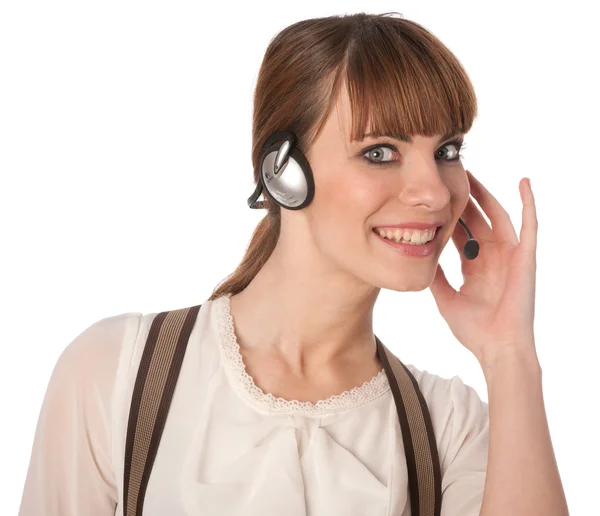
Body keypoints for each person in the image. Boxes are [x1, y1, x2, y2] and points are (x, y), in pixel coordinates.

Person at [18, 11, 568, 516]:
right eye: (380, 152)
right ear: (283, 172)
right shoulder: (117, 375)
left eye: (447, 151)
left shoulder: (449, 426)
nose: (435, 192)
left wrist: (509, 355)